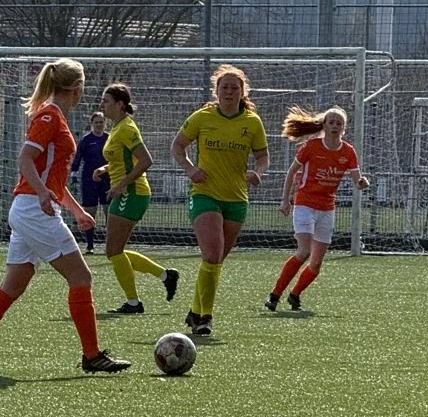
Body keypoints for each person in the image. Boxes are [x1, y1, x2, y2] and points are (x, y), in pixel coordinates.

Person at [0, 58, 132, 374]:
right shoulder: (49, 116)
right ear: (77, 88)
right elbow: (25, 160)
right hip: (34, 210)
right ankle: (92, 356)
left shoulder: (55, 116)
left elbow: (53, 181)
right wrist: (43, 193)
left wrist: (76, 211)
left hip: (31, 208)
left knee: (13, 286)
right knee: (81, 277)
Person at [169, 65, 269, 337]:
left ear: (243, 92)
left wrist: (258, 173)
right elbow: (177, 146)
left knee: (214, 262)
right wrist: (190, 169)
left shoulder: (252, 122)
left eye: (234, 87)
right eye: (224, 87)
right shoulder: (202, 117)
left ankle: (194, 311)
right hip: (205, 194)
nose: (229, 92)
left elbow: (262, 157)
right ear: (216, 90)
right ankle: (205, 318)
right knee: (212, 255)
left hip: (236, 198)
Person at [268, 106, 370, 312]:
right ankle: (274, 295)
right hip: (304, 204)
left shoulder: (348, 151)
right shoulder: (311, 147)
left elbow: (357, 179)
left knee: (316, 264)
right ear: (324, 125)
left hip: (327, 208)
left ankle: (295, 295)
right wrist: (285, 200)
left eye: (339, 123)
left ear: (344, 128)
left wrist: (362, 183)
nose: (335, 126)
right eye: (331, 122)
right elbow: (292, 172)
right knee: (304, 251)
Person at [92, 83, 181, 314]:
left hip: (132, 193)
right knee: (115, 251)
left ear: (120, 104)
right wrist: (105, 169)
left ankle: (134, 302)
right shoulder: (117, 127)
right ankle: (165, 276)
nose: (102, 104)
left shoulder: (126, 128)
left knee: (113, 251)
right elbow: (123, 160)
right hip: (126, 193)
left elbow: (146, 160)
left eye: (106, 101)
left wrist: (120, 185)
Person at [69, 112, 108, 253]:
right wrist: (74, 174)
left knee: (109, 212)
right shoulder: (86, 140)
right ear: (92, 124)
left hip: (107, 179)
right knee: (90, 212)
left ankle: (110, 245)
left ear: (105, 123)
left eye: (101, 122)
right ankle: (90, 245)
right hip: (89, 181)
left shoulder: (109, 138)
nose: (99, 125)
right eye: (96, 122)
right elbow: (77, 158)